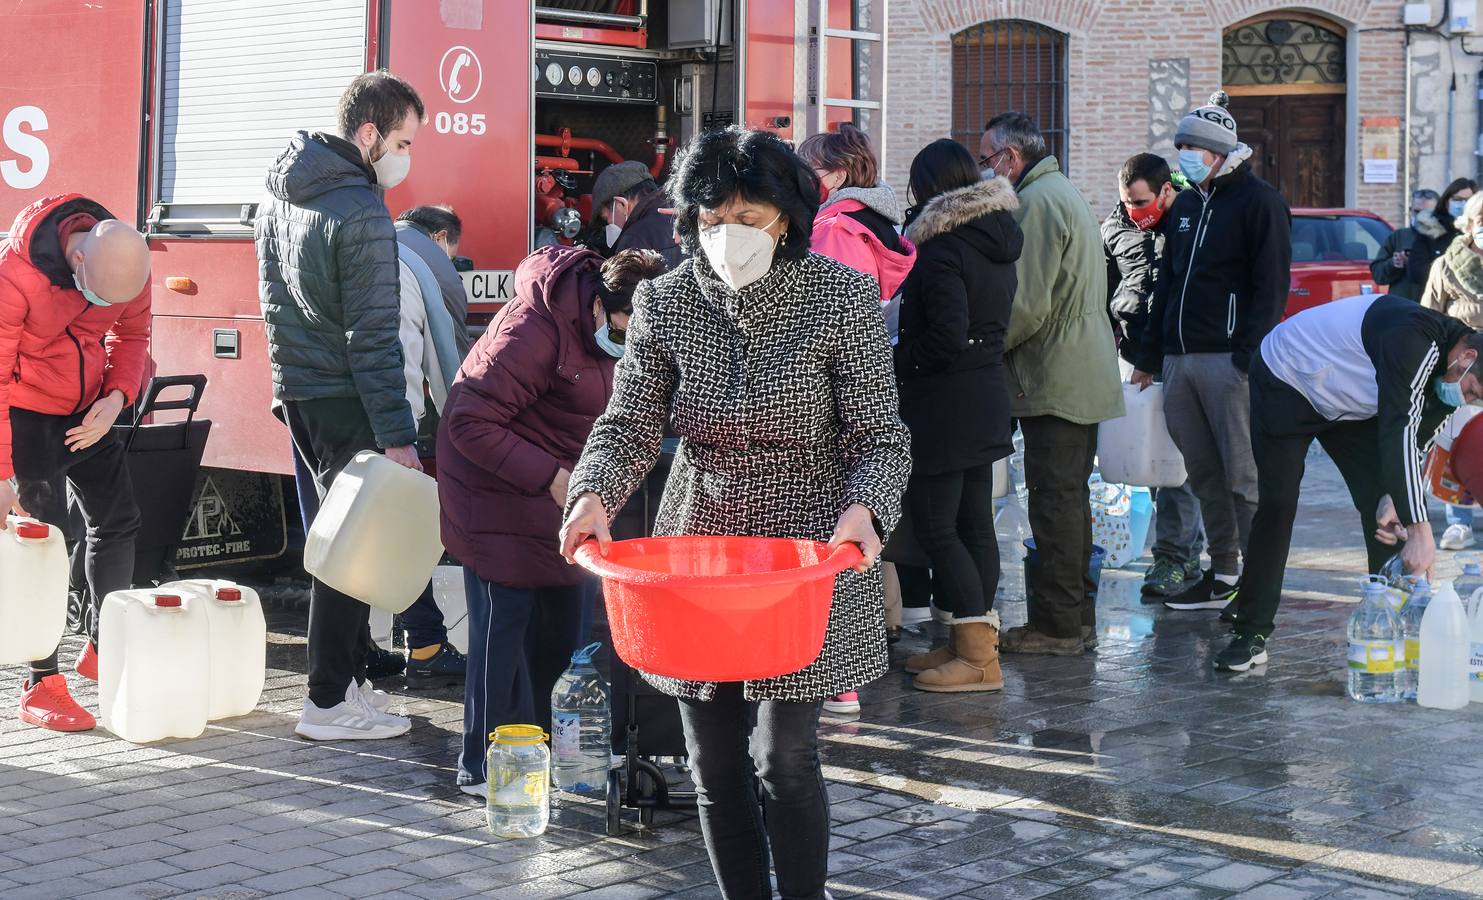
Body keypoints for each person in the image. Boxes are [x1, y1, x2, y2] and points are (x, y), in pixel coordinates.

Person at [559, 127, 911, 899]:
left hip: (807, 555)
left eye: (749, 221)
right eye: (713, 221)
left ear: (786, 219)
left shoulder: (838, 296)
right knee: (713, 762)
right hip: (701, 555)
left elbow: (881, 435)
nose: (730, 238)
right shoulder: (665, 299)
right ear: (690, 221)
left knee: (784, 759)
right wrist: (593, 492)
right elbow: (628, 423)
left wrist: (867, 511)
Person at [440, 245, 665, 797]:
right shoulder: (534, 327)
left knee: (568, 649)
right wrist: (552, 476)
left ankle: (556, 758)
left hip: (568, 505)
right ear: (601, 309)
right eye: (627, 326)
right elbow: (467, 421)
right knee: (504, 648)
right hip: (497, 500)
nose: (635, 342)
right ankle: (487, 766)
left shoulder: (633, 331)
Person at [256, 70, 425, 741]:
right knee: (355, 547)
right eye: (404, 140)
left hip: (301, 388)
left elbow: (272, 303)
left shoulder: (282, 192)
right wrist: (398, 434)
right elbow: (373, 335)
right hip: (350, 394)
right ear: (369, 132)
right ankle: (326, 703)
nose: (408, 155)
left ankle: (347, 685)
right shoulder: (360, 211)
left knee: (336, 537)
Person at [1226, 293, 1480, 671]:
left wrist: (1398, 502)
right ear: (1468, 357)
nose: (1466, 398)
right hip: (1287, 378)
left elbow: (1420, 438)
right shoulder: (1414, 341)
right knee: (1279, 503)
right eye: (1472, 390)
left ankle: (1390, 622)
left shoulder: (1450, 374)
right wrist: (1422, 530)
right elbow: (1399, 432)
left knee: (1387, 504)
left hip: (1345, 403)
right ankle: (1251, 631)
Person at [1132, 92, 1292, 618]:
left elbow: (1270, 287)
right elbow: (1166, 283)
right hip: (1179, 361)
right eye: (1180, 145)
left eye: (1195, 146)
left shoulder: (1259, 202)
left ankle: (1258, 585)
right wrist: (1151, 354)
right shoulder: (1186, 207)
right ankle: (1223, 573)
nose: (1185, 154)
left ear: (1223, 151)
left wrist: (1248, 358)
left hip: (1230, 364)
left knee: (1244, 479)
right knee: (1202, 476)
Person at [1, 196, 150, 732]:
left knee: (118, 520)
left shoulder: (127, 258)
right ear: (79, 260)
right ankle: (40, 682)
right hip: (29, 412)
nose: (103, 305)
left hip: (92, 409)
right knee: (44, 543)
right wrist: (0, 474)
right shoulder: (16, 275)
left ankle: (102, 646)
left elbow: (131, 335)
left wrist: (116, 399)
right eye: (98, 295)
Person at [980, 112, 1123, 656]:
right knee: (1068, 502)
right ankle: (1075, 618)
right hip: (1075, 371)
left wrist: (980, 346)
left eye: (988, 159)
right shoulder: (1062, 190)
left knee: (1055, 503)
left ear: (1011, 158)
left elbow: (1026, 303)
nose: (987, 171)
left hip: (1056, 376)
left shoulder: (1037, 201)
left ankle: (1058, 626)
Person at [893, 138, 1022, 692]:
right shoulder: (994, 238)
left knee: (939, 526)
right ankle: (969, 641)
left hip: (945, 403)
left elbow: (944, 334)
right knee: (974, 525)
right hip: (986, 392)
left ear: (930, 190)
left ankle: (977, 659)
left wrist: (900, 357)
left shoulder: (943, 247)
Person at [796, 123, 917, 711]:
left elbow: (822, 319)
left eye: (810, 169)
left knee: (831, 533)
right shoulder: (873, 227)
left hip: (829, 395)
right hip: (860, 389)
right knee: (847, 528)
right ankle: (838, 669)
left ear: (838, 173)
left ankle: (833, 675)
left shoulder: (835, 229)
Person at [1102, 153, 1205, 597]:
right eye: (1127, 202)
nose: (1134, 212)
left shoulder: (1188, 221)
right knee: (1147, 462)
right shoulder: (1113, 229)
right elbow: (1103, 293)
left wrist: (1150, 359)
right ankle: (1178, 555)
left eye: (1142, 202)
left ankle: (1175, 560)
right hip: (1132, 359)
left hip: (1173, 358)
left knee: (1175, 466)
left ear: (1166, 191)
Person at [1421, 191, 1483, 551]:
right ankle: (1459, 522)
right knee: (1457, 445)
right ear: (1470, 225)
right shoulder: (1447, 266)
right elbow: (1427, 317)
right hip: (1464, 370)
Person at [592, 160, 682, 269]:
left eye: (606, 218)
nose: (608, 224)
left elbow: (622, 285)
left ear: (621, 204)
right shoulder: (684, 213)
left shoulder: (633, 239)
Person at [1371, 189, 1446, 302]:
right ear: (1410, 211)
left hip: (1435, 307)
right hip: (1403, 308)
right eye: (1417, 211)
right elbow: (1378, 275)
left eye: (1427, 212)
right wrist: (1394, 264)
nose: (1421, 216)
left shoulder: (1447, 238)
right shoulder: (1398, 237)